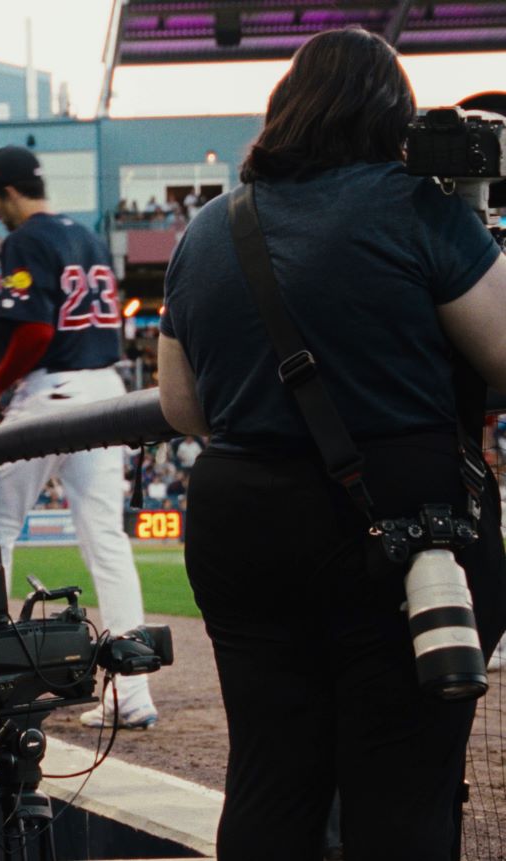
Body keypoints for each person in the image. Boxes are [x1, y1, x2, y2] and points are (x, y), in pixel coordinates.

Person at [156, 29, 506, 861]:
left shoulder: (207, 228)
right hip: (401, 523)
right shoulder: (418, 206)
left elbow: (181, 406)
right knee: (401, 784)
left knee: (271, 778)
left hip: (240, 515)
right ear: (395, 116)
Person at [0, 145, 156, 731]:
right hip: (106, 389)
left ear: (9, 192)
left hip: (53, 393)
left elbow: (36, 333)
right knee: (105, 538)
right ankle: (133, 690)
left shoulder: (25, 239)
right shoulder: (90, 239)